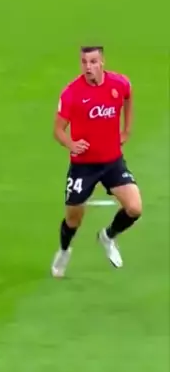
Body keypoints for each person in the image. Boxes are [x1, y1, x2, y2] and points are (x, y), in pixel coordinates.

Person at [51, 46, 142, 277]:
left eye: (92, 61)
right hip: (83, 167)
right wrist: (71, 144)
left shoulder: (118, 84)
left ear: (102, 62)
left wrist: (127, 130)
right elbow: (58, 130)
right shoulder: (71, 93)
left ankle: (108, 236)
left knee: (134, 208)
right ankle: (64, 250)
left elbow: (129, 96)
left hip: (112, 162)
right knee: (73, 219)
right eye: (84, 62)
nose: (88, 67)